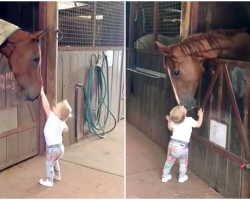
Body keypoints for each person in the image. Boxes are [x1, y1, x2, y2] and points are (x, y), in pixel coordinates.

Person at [39, 86, 72, 187]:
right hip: (60, 148)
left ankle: (49, 180)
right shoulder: (62, 122)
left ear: (58, 113)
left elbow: (46, 106)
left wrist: (42, 93)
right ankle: (57, 175)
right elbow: (66, 129)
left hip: (53, 148)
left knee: (49, 163)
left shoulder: (53, 117)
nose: (53, 108)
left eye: (55, 107)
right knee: (55, 160)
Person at [162, 105, 204, 183]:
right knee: (183, 161)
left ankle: (165, 176)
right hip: (182, 147)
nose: (184, 106)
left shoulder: (174, 122)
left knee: (169, 160)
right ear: (183, 114)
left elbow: (170, 128)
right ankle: (182, 177)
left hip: (172, 144)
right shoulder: (189, 120)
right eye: (183, 108)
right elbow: (198, 124)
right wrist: (200, 116)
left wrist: (169, 120)